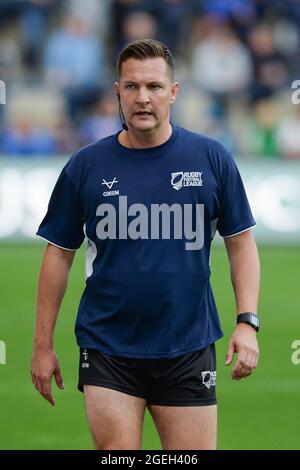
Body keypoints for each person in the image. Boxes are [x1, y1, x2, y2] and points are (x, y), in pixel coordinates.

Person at [30, 39, 260, 450]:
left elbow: (240, 242)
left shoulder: (211, 158)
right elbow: (58, 253)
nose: (143, 98)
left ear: (173, 92)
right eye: (132, 87)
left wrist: (247, 321)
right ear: (117, 91)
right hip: (108, 346)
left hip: (188, 344)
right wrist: (42, 346)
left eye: (154, 86)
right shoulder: (87, 164)